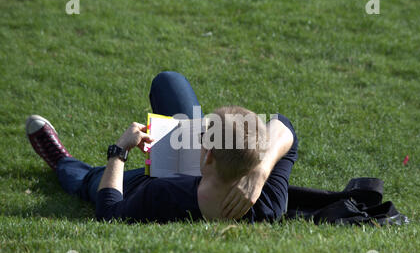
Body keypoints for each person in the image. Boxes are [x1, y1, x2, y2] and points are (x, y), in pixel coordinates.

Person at [25, 72, 298, 223]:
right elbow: (284, 124)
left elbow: (109, 215)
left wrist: (119, 152)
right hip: (220, 173)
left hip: (178, 174)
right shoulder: (268, 201)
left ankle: (63, 162)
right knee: (169, 82)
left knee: (91, 181)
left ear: (209, 155)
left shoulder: (164, 194)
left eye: (203, 136)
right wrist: (260, 171)